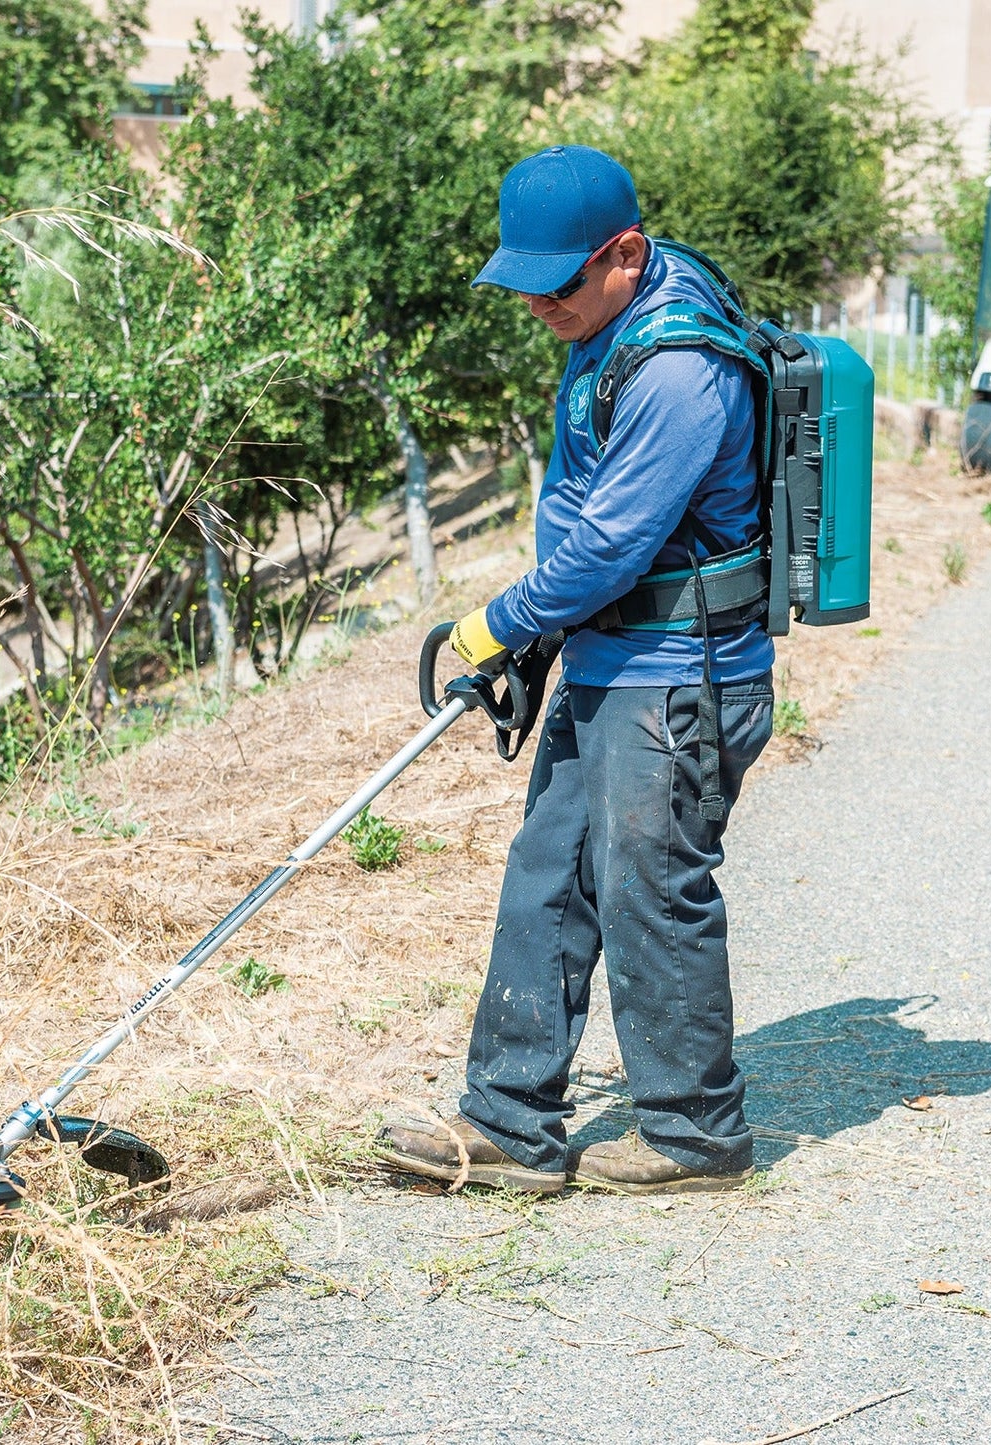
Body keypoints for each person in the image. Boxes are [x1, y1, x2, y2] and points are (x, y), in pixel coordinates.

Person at [379, 145, 775, 1195]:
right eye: (522, 285)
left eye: (556, 284)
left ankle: (693, 1140)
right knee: (548, 877)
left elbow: (609, 545)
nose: (536, 305)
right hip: (610, 654)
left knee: (650, 893)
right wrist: (541, 635)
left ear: (625, 254)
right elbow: (587, 516)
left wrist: (496, 624)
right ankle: (508, 1123)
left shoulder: (681, 368)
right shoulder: (608, 320)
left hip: (678, 676)